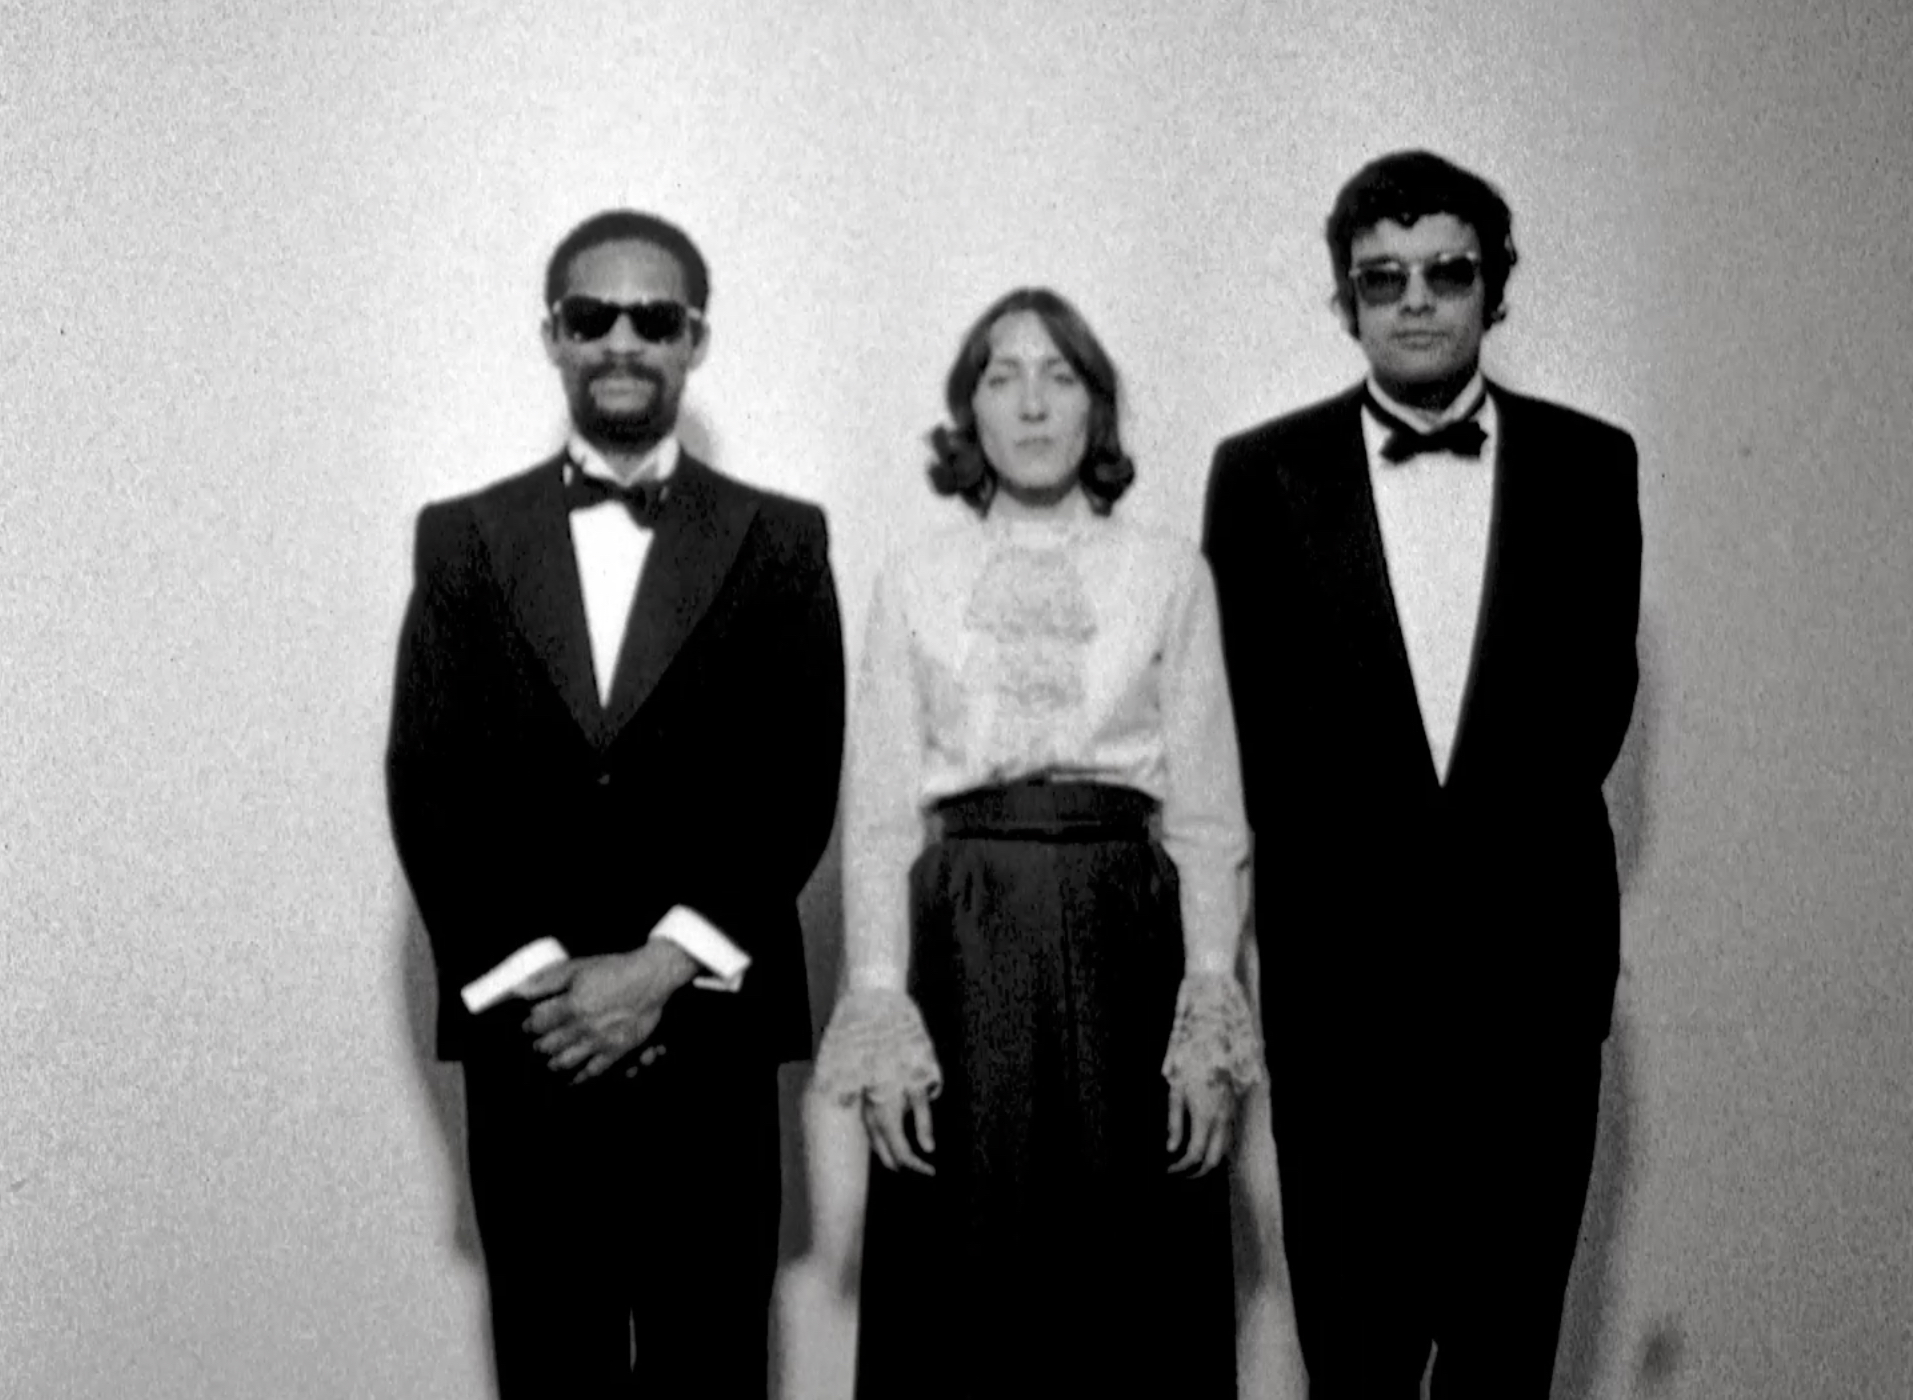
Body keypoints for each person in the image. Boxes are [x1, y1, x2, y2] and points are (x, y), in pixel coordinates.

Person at [385, 209, 845, 1399]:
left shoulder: (783, 539)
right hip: (531, 1044)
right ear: (553, 336)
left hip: (709, 1039)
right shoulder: (461, 539)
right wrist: (550, 986)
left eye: (653, 318)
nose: (622, 341)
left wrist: (656, 969)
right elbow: (429, 785)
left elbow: (796, 781)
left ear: (695, 339)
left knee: (712, 1370)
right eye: (593, 317)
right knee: (551, 1371)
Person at [1203, 150, 1643, 1396]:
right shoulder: (1260, 473)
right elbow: (1240, 729)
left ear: (1493, 288)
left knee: (1507, 1358)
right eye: (1379, 277)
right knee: (1354, 1359)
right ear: (1343, 300)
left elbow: (1589, 710)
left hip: (1530, 995)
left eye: (1444, 273)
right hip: (1341, 1000)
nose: (1412, 300)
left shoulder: (1590, 463)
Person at [813, 287, 1263, 1399]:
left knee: (1131, 1267)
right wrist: (881, 1005)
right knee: (968, 1263)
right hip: (965, 935)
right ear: (968, 410)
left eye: (1059, 377)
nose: (1030, 404)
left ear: (1095, 408)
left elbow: (1208, 812)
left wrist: (1207, 1010)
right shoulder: (913, 576)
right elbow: (878, 817)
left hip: (1128, 929)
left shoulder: (1169, 571)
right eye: (1003, 377)